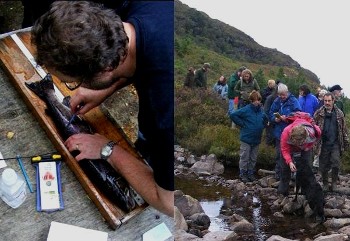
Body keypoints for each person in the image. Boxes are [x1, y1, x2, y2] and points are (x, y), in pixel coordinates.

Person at [31, 1, 174, 216]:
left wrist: (108, 150)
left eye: (74, 82)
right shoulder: (142, 8)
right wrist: (106, 88)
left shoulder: (165, 116)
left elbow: (169, 202)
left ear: (106, 68)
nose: (76, 87)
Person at [313, 92, 349, 191]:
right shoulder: (318, 113)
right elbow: (313, 128)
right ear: (323, 101)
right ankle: (325, 183)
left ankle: (333, 183)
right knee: (323, 165)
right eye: (325, 101)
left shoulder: (339, 113)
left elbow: (344, 129)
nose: (327, 103)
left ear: (333, 101)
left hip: (336, 143)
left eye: (329, 101)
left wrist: (346, 143)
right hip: (323, 143)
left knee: (336, 163)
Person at [230, 91, 268, 183]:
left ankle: (250, 173)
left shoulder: (261, 111)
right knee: (244, 157)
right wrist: (242, 124)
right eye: (255, 100)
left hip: (256, 139)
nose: (257, 102)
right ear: (251, 101)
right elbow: (233, 115)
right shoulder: (246, 109)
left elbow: (265, 119)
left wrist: (263, 125)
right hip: (246, 138)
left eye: (259, 100)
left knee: (253, 158)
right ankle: (243, 174)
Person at [268, 83, 301, 180]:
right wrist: (275, 119)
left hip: (291, 133)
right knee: (279, 154)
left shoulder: (293, 101)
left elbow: (298, 114)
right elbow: (270, 113)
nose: (282, 97)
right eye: (280, 94)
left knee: (291, 154)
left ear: (287, 92)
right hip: (279, 132)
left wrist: (287, 117)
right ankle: (278, 174)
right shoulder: (277, 101)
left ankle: (291, 175)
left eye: (283, 94)